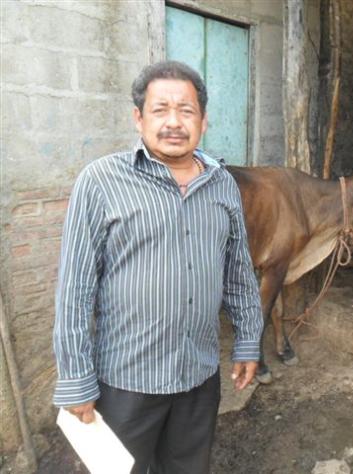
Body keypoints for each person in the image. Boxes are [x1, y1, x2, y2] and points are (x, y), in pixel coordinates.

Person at [53, 60, 263, 473]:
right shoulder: (101, 181)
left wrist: (247, 340)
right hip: (125, 384)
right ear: (139, 118)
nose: (174, 123)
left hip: (198, 378)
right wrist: (76, 377)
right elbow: (75, 288)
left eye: (186, 111)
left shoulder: (222, 184)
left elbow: (238, 270)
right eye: (160, 109)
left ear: (203, 121)